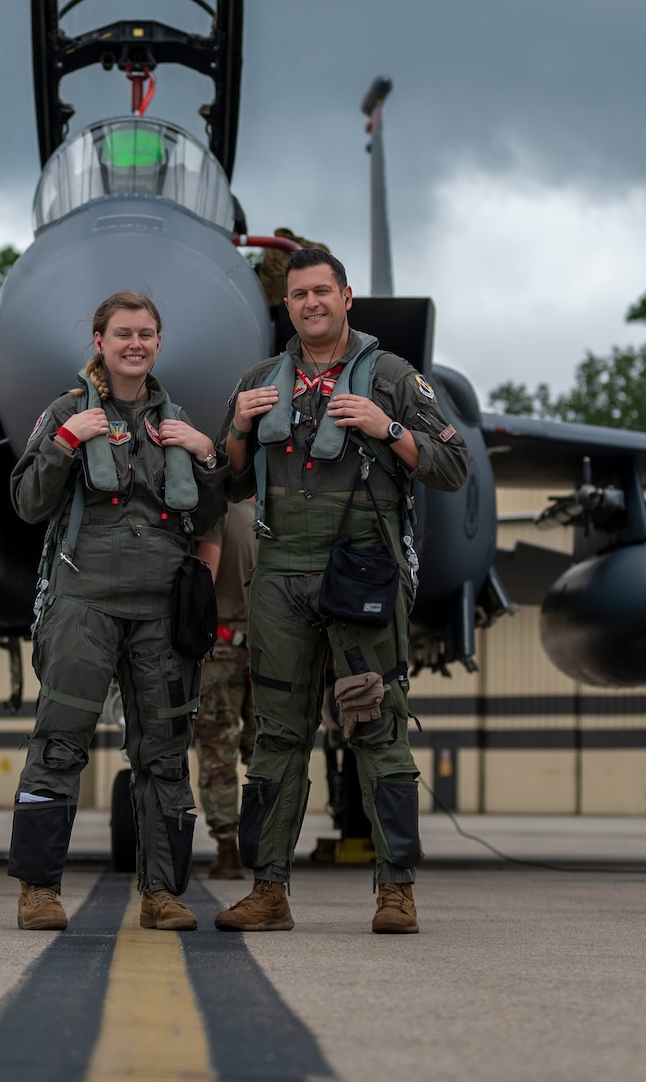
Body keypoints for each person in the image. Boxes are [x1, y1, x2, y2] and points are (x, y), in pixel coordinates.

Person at [212, 247, 469, 936]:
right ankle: (268, 889)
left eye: (322, 291)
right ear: (286, 304)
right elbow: (225, 485)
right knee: (277, 736)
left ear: (346, 296)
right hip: (280, 576)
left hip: (361, 573)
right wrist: (236, 427)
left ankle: (396, 891)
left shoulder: (390, 377)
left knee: (375, 724)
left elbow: (452, 463)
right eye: (298, 294)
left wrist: (388, 428)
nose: (310, 303)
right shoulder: (261, 379)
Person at [7, 289, 228, 932]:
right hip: (85, 602)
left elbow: (211, 514)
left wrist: (208, 455)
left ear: (159, 343)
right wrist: (66, 443)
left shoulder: (178, 422)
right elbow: (26, 501)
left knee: (164, 752)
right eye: (123, 333)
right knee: (59, 743)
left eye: (147, 334)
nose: (136, 344)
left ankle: (162, 894)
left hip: (161, 609)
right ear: (100, 342)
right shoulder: (65, 413)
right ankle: (39, 889)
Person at [195, 499, 259, 878]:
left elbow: (206, 576)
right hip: (266, 651)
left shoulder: (220, 513)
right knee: (265, 752)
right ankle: (267, 845)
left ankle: (227, 849)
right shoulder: (274, 512)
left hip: (220, 650)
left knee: (218, 751)